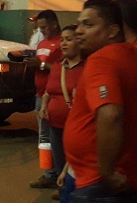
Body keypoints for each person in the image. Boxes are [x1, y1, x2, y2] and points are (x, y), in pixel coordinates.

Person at [64, 0, 137, 203]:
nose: (78, 30)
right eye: (79, 24)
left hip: (102, 184)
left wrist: (107, 171)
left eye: (88, 24)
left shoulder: (102, 60)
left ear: (113, 30)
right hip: (133, 176)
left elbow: (111, 114)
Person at [39, 24, 84, 202]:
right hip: (55, 125)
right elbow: (48, 92)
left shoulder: (87, 68)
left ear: (79, 43)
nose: (64, 43)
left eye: (69, 39)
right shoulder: (58, 67)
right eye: (62, 40)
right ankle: (63, 188)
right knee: (59, 161)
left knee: (75, 163)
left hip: (76, 128)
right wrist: (43, 107)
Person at [29, 9, 63, 190]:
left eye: (44, 27)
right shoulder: (43, 42)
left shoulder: (63, 43)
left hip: (54, 98)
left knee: (57, 138)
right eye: (39, 27)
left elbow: (62, 70)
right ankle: (49, 174)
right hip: (40, 96)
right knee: (44, 139)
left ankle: (61, 177)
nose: (41, 30)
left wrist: (41, 64)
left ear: (54, 24)